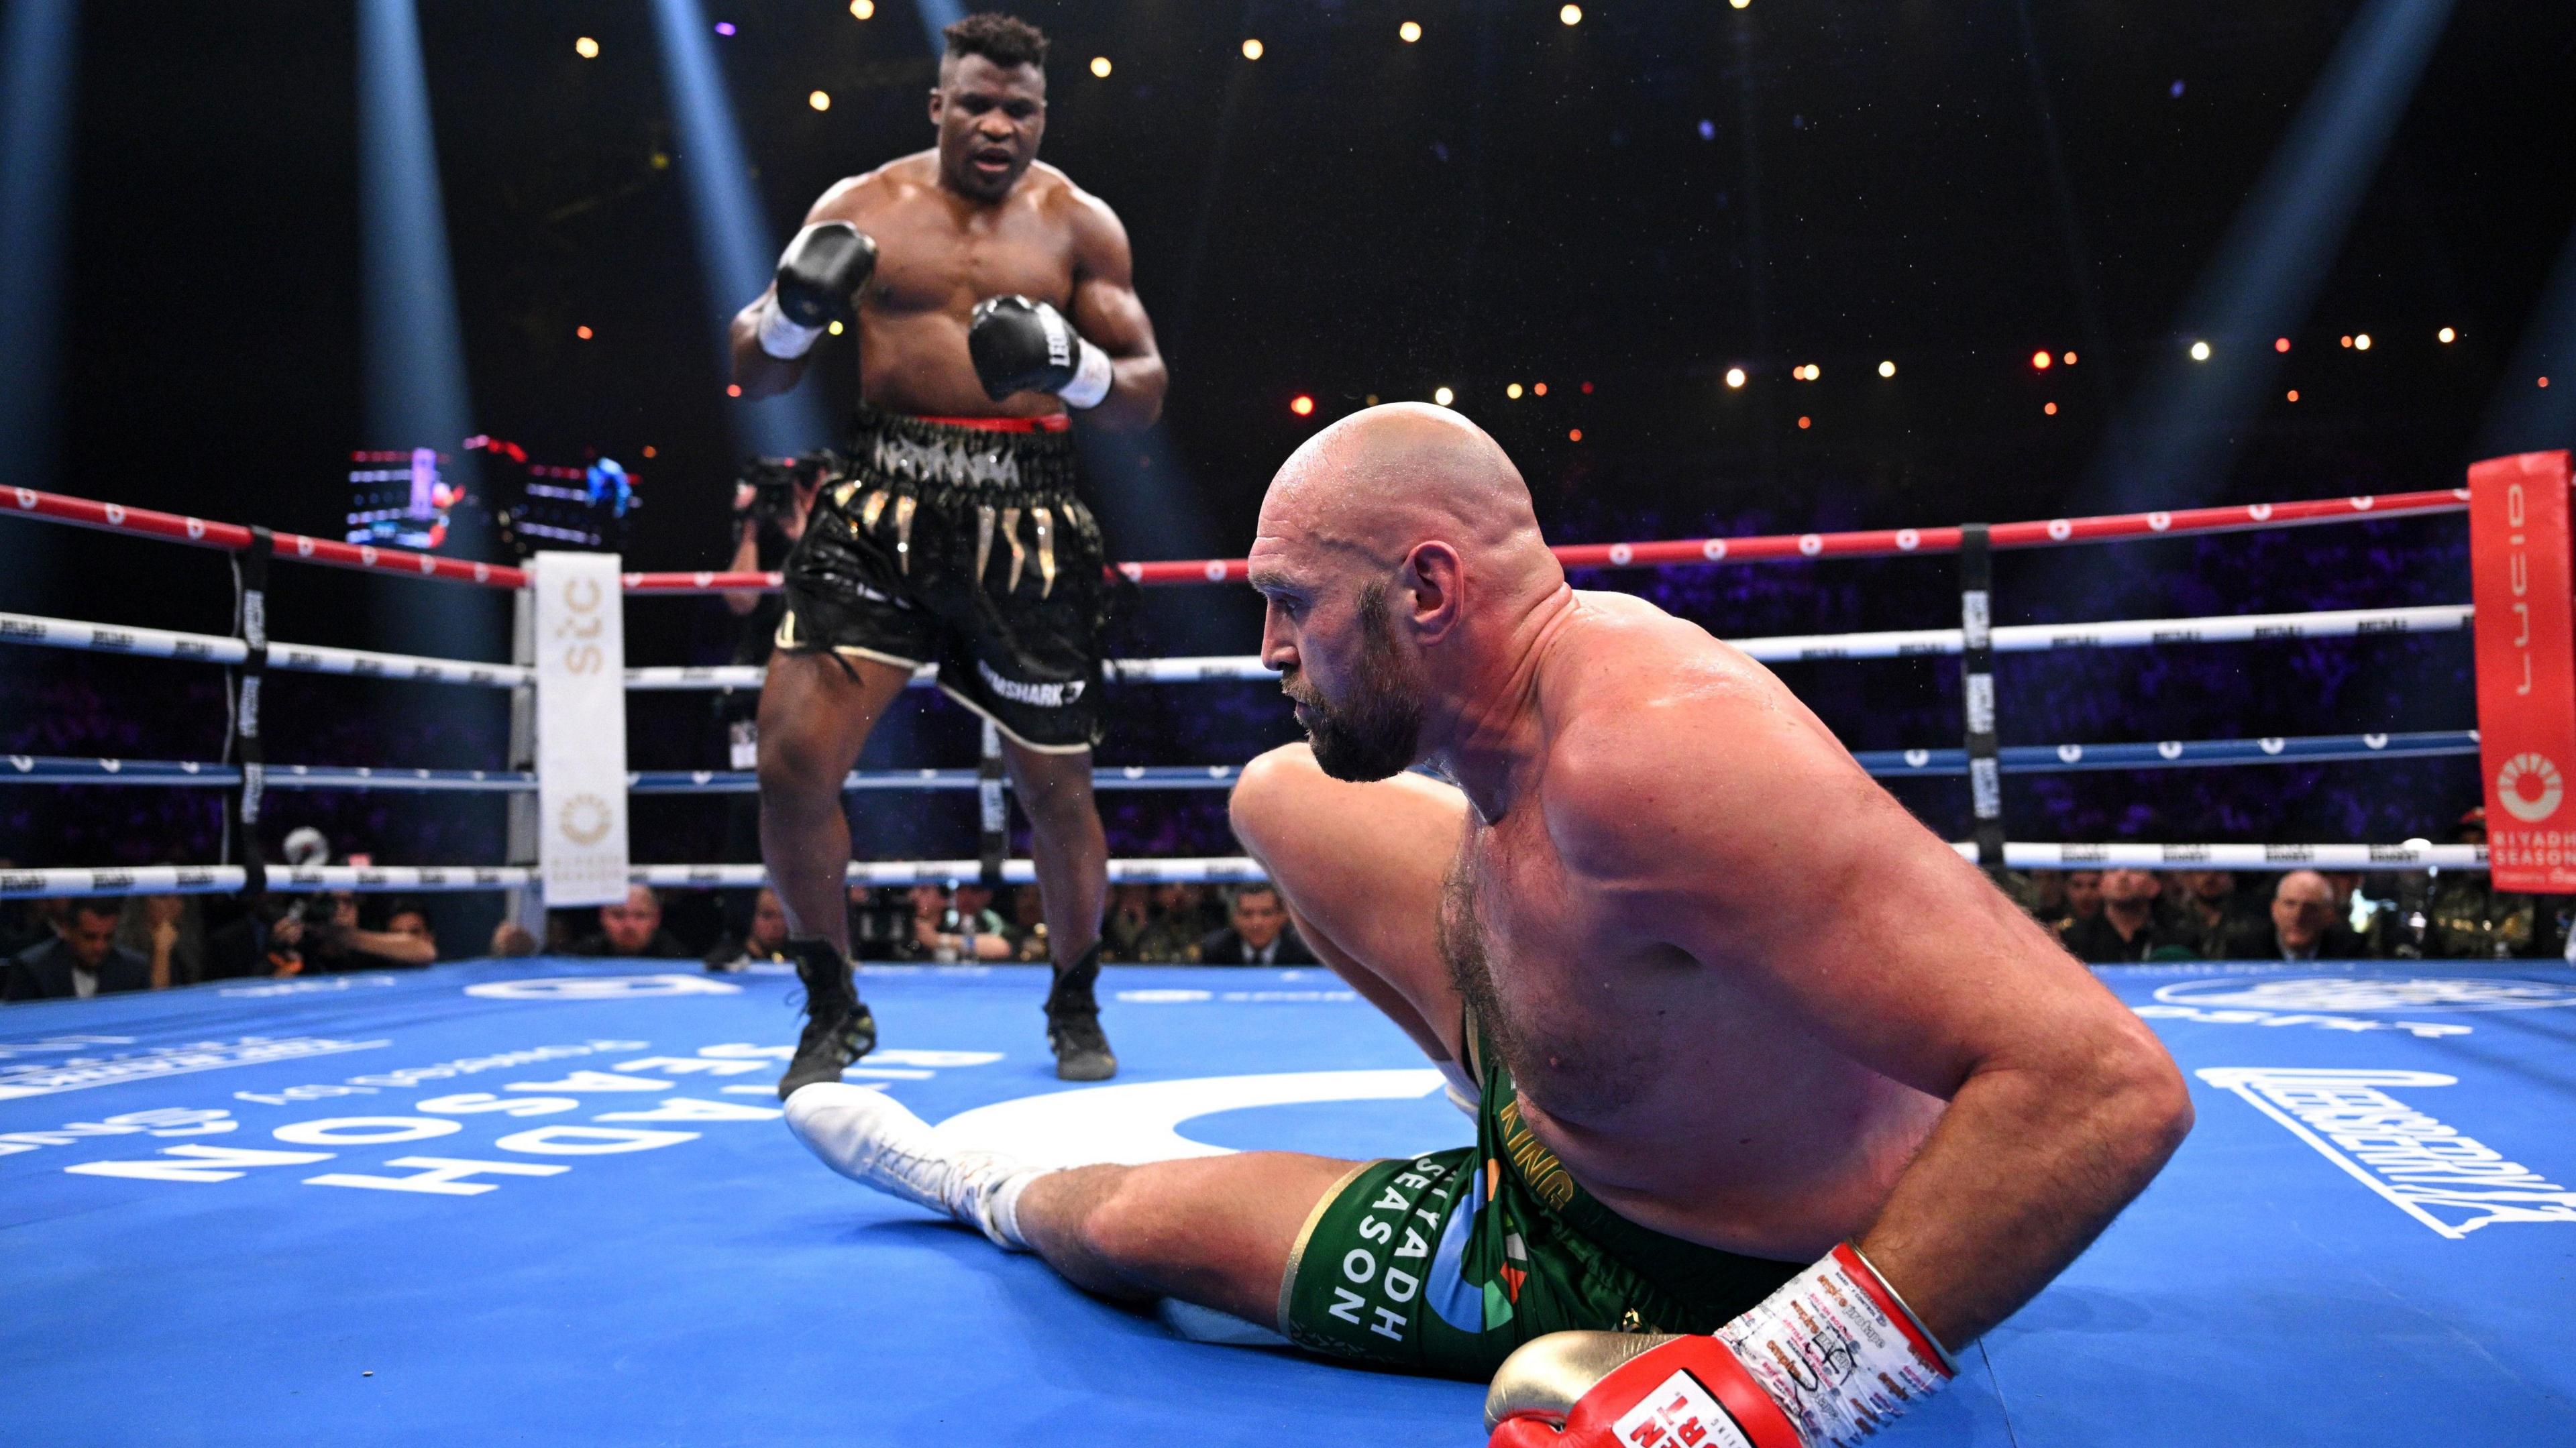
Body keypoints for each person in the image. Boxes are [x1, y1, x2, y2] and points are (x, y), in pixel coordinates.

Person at [781, 404, 2191, 1444]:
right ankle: (1506, 1076)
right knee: (1280, 797)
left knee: (1139, 1220)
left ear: (1430, 588)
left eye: (1292, 604)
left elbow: (2107, 1089)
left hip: (1684, 1253)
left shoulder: (1653, 757)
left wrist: (1778, 1377)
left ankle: (954, 1175)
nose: (1269, 649)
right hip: (1581, 1089)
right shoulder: (1534, 703)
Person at [732, 11, 1167, 1094]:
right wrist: (792, 317)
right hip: (880, 501)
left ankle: (1073, 991)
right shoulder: (862, 206)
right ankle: (831, 1001)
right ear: (937, 103)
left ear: (1043, 116)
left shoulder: (1080, 226)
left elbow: (1146, 393)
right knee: (789, 752)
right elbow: (755, 367)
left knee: (1055, 786)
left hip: (1026, 512)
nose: (996, 124)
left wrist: (1071, 365)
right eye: (976, 101)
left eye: (1019, 108)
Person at [4, 898, 154, 1000]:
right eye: (90, 937)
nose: (99, 946)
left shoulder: (134, 969)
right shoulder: (32, 969)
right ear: (67, 930)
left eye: (108, 937)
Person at [2229, 871, 2368, 960]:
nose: (2298, 916)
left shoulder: (2351, 951)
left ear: (2329, 915)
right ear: (2274, 909)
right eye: (2290, 904)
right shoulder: (2245, 950)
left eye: (2310, 908)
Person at [2058, 868, 2178, 963]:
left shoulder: (2177, 936)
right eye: (2113, 870)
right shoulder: (2074, 939)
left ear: (2154, 886)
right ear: (2101, 884)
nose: (2123, 876)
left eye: (2135, 870)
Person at [1196, 883, 1318, 966]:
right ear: (1234, 918)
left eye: (1266, 913)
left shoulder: (1306, 951)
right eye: (1247, 914)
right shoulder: (1215, 950)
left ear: (1283, 916)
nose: (1257, 923)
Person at [566, 885, 692, 960]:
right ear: (602, 916)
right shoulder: (583, 957)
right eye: (618, 915)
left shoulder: (675, 958)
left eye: (640, 916)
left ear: (656, 919)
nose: (629, 926)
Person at [707, 887, 796, 972]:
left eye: (783, 916)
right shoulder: (725, 959)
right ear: (751, 917)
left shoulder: (798, 959)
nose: (777, 924)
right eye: (767, 915)